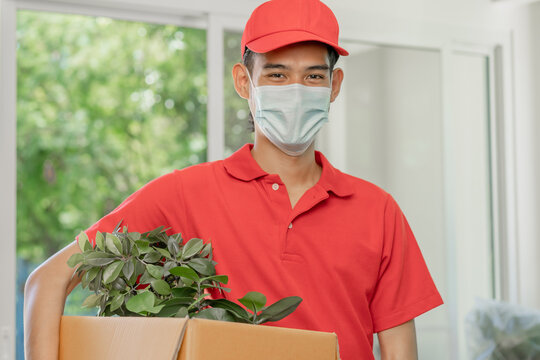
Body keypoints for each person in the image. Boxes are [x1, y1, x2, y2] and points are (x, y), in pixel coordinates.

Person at [24, 0, 443, 359]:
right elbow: (48, 279)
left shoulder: (377, 210)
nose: (296, 90)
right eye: (277, 75)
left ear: (334, 86)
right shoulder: (185, 194)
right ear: (244, 82)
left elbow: (399, 349)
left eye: (313, 76)